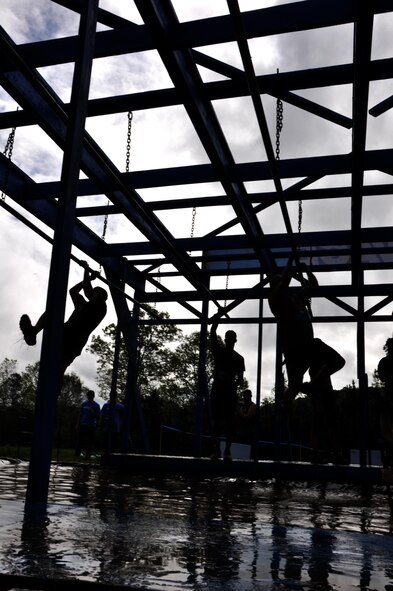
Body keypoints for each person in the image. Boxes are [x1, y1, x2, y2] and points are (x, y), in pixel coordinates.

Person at [19, 261, 108, 379]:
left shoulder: (101, 307)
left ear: (102, 297)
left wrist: (86, 269)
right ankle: (33, 332)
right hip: (66, 330)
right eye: (95, 291)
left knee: (59, 368)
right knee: (52, 312)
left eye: (97, 292)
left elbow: (88, 291)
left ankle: (55, 387)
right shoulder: (83, 304)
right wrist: (89, 279)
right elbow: (73, 291)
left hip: (76, 340)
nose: (94, 293)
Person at [268, 254, 318, 409]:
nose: (282, 282)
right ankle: (284, 407)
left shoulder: (295, 297)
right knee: (295, 384)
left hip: (306, 344)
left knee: (298, 383)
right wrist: (291, 258)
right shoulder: (275, 299)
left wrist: (306, 269)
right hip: (293, 348)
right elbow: (286, 280)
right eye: (278, 280)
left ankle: (299, 392)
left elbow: (314, 286)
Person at [301, 338, 345, 463]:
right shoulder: (316, 364)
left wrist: (310, 385)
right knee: (321, 424)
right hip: (319, 393)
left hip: (322, 392)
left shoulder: (318, 358)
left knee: (326, 423)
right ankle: (323, 454)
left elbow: (339, 361)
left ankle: (329, 454)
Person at [210, 310, 245, 460]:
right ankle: (219, 450)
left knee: (229, 423)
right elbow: (212, 331)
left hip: (227, 392)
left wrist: (232, 382)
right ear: (227, 340)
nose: (230, 341)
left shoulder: (238, 358)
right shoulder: (220, 352)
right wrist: (219, 315)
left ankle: (226, 451)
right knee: (218, 422)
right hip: (220, 391)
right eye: (229, 339)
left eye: (231, 339)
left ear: (234, 341)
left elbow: (240, 379)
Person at [377, 338, 393, 467]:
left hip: (387, 399)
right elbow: (382, 377)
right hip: (387, 399)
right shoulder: (385, 362)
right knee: (386, 431)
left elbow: (382, 377)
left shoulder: (384, 362)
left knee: (386, 431)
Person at [75, 390, 101, 458]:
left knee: (89, 441)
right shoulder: (84, 404)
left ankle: (88, 455)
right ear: (87, 396)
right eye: (88, 396)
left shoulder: (96, 405)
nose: (90, 397)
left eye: (91, 396)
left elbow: (98, 416)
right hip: (83, 424)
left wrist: (92, 412)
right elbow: (80, 414)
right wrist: (78, 424)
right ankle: (77, 454)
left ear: (93, 396)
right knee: (80, 440)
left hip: (91, 426)